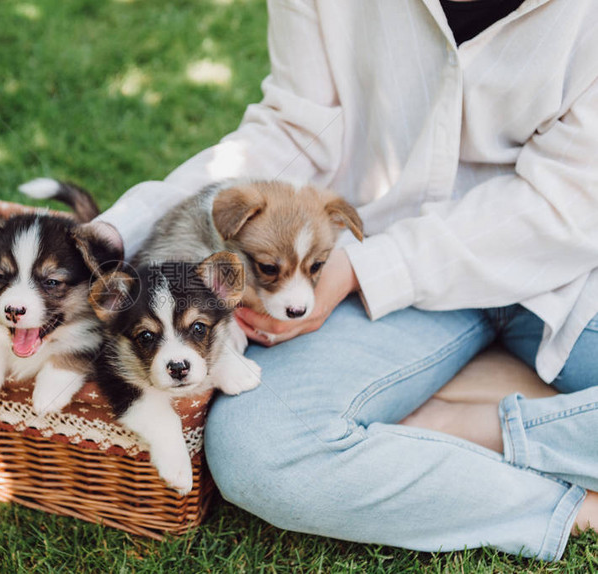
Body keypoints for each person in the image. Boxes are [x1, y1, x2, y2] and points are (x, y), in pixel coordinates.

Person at [95, 0, 598, 560]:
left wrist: (365, 266)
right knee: (261, 449)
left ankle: (464, 426)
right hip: (378, 282)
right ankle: (575, 506)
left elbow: (571, 202)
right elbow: (292, 129)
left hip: (566, 273)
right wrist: (106, 237)